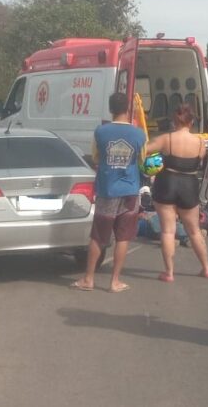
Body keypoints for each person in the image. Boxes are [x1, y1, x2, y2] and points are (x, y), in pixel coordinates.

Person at [72, 92, 146, 293]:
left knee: (98, 236)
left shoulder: (100, 132)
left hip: (107, 190)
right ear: (128, 109)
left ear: (111, 109)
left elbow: (96, 157)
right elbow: (141, 160)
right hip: (130, 190)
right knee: (123, 237)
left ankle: (88, 278)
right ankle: (115, 281)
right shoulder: (140, 134)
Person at [145, 104, 208, 281]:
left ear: (174, 121)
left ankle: (169, 273)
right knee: (194, 231)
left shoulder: (166, 139)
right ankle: (206, 268)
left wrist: (153, 162)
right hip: (189, 186)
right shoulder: (199, 142)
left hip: (166, 183)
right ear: (191, 122)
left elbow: (144, 150)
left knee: (168, 231)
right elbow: (200, 159)